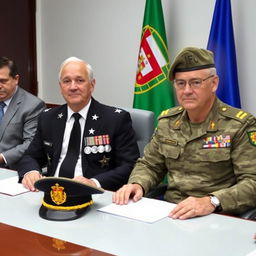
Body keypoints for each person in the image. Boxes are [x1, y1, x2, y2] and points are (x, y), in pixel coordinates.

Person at [113, 47, 256, 220]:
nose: (187, 90)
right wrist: (138, 184)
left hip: (218, 216)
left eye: (196, 82)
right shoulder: (168, 121)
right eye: (180, 83)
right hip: (170, 214)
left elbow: (252, 182)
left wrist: (213, 201)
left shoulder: (239, 125)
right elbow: (150, 165)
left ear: (214, 83)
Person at [18, 57, 139, 191]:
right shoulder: (48, 117)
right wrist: (31, 172)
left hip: (93, 194)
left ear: (92, 85)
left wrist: (94, 183)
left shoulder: (115, 119)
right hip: (52, 192)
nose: (73, 87)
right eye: (66, 81)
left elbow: (130, 165)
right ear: (60, 86)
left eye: (80, 80)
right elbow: (30, 155)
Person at [0, 56, 45, 170]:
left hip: (14, 169)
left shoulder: (33, 105)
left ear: (16, 79)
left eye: (3, 81)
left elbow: (31, 143)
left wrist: (2, 157)